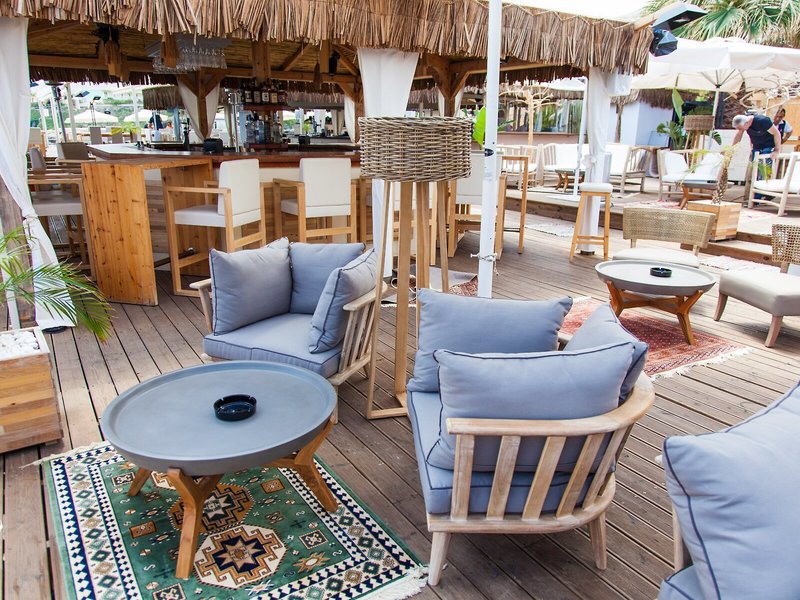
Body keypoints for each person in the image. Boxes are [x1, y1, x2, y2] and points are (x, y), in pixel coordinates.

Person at [733, 113, 782, 201]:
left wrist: (777, 150)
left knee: (763, 173)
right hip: (756, 148)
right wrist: (732, 149)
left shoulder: (763, 121)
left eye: (741, 128)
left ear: (746, 123)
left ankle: (760, 197)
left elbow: (776, 133)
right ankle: (756, 196)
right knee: (754, 173)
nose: (740, 130)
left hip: (768, 147)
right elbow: (739, 135)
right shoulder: (745, 123)